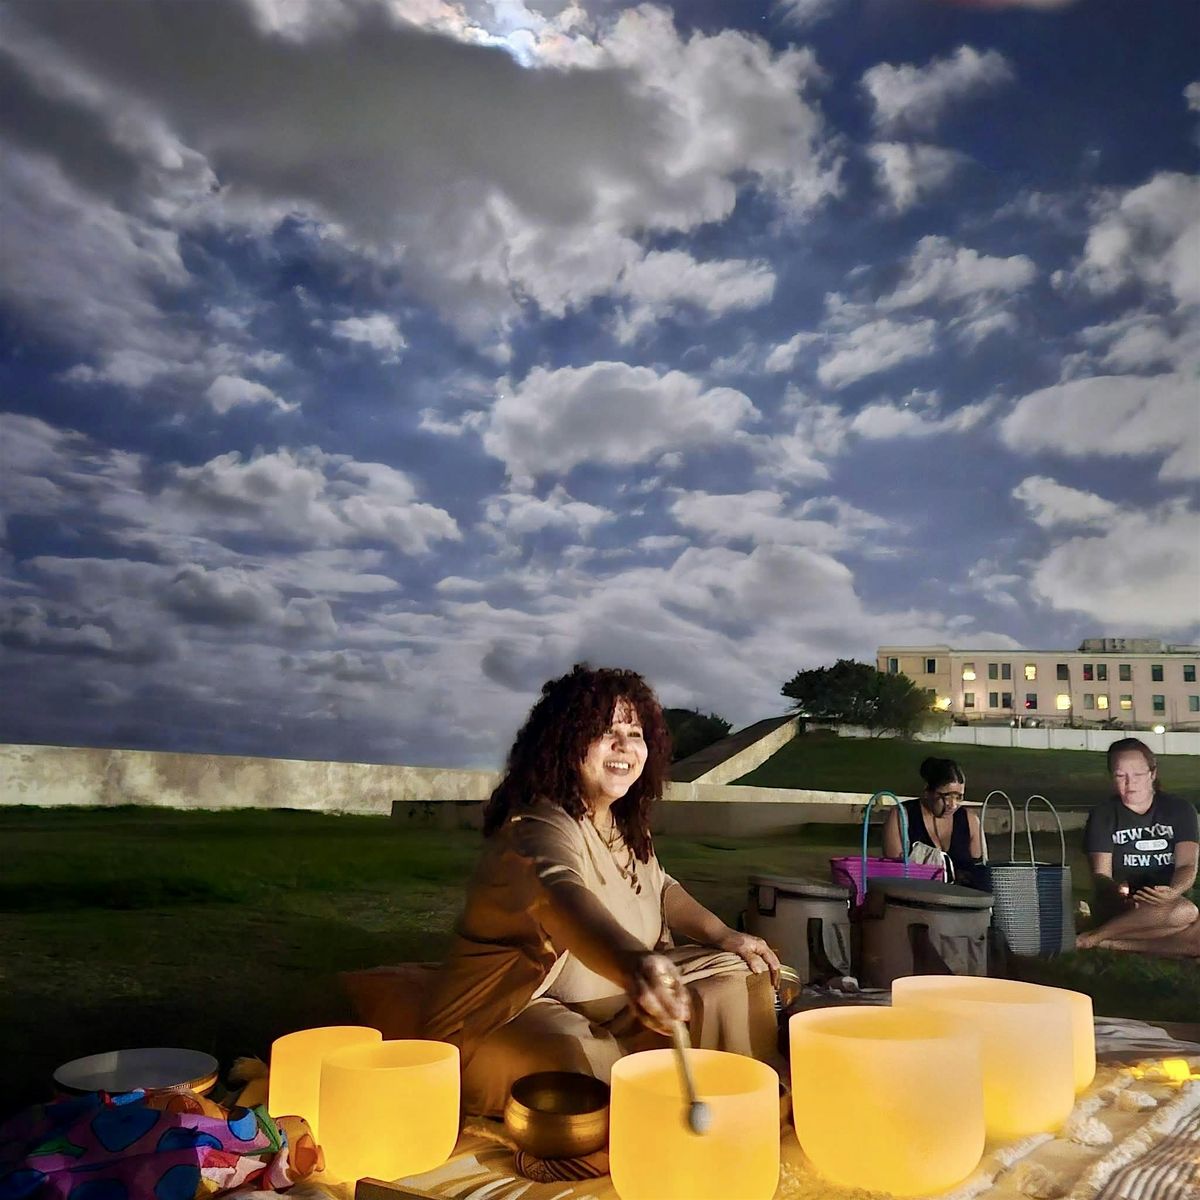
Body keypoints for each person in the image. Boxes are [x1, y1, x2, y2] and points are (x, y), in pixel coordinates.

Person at [423, 664, 783, 1118]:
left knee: (736, 972)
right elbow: (557, 893)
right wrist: (633, 964)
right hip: (518, 1010)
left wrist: (724, 935)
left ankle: (735, 1099)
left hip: (613, 1002)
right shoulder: (537, 823)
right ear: (562, 742)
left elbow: (661, 888)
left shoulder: (624, 823)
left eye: (635, 733)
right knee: (580, 1068)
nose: (624, 746)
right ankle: (646, 1105)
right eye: (605, 731)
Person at [1076, 738, 1199, 954]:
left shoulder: (1180, 810)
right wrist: (1120, 896)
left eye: (1138, 775)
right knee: (1186, 913)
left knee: (1183, 915)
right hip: (1124, 906)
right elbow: (1101, 875)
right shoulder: (1104, 815)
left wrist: (1173, 891)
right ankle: (1098, 936)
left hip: (1167, 903)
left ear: (1152, 773)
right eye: (1120, 776)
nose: (1129, 783)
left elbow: (1187, 865)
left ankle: (1105, 941)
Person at [881, 756, 984, 887]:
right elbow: (894, 871)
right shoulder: (901, 816)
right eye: (946, 796)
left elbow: (980, 869)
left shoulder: (971, 821)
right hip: (916, 898)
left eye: (958, 797)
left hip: (962, 900)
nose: (953, 805)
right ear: (927, 791)